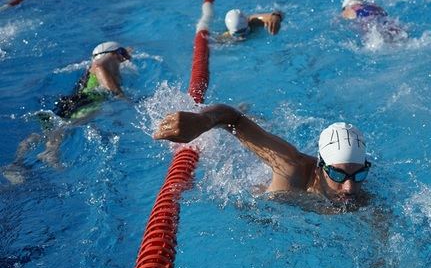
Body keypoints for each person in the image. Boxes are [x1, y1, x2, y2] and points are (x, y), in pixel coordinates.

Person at [154, 106, 371, 207]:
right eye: (337, 174)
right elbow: (234, 120)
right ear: (320, 166)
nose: (349, 188)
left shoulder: (359, 199)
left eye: (359, 175)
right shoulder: (291, 167)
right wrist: (203, 121)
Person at [3, 42, 131, 182]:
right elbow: (99, 65)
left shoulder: (105, 64)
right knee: (66, 126)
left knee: (48, 131)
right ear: (112, 53)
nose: (125, 57)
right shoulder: (103, 61)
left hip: (75, 102)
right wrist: (119, 94)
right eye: (122, 52)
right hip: (86, 103)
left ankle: (16, 163)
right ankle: (50, 152)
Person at [218, 8, 283, 41]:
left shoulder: (252, 21)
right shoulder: (224, 39)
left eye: (245, 31)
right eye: (238, 33)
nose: (242, 37)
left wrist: (276, 17)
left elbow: (278, 13)